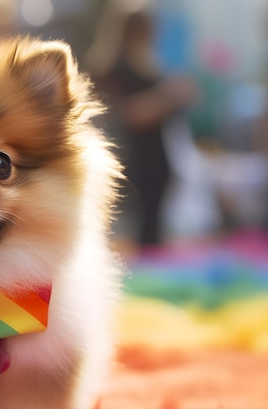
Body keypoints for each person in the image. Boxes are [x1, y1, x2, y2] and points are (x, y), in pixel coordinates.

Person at [88, 4, 195, 248]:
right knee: (131, 232)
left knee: (152, 231)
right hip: (133, 160)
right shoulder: (114, 68)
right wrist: (170, 97)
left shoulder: (148, 64)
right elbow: (132, 114)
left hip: (157, 158)